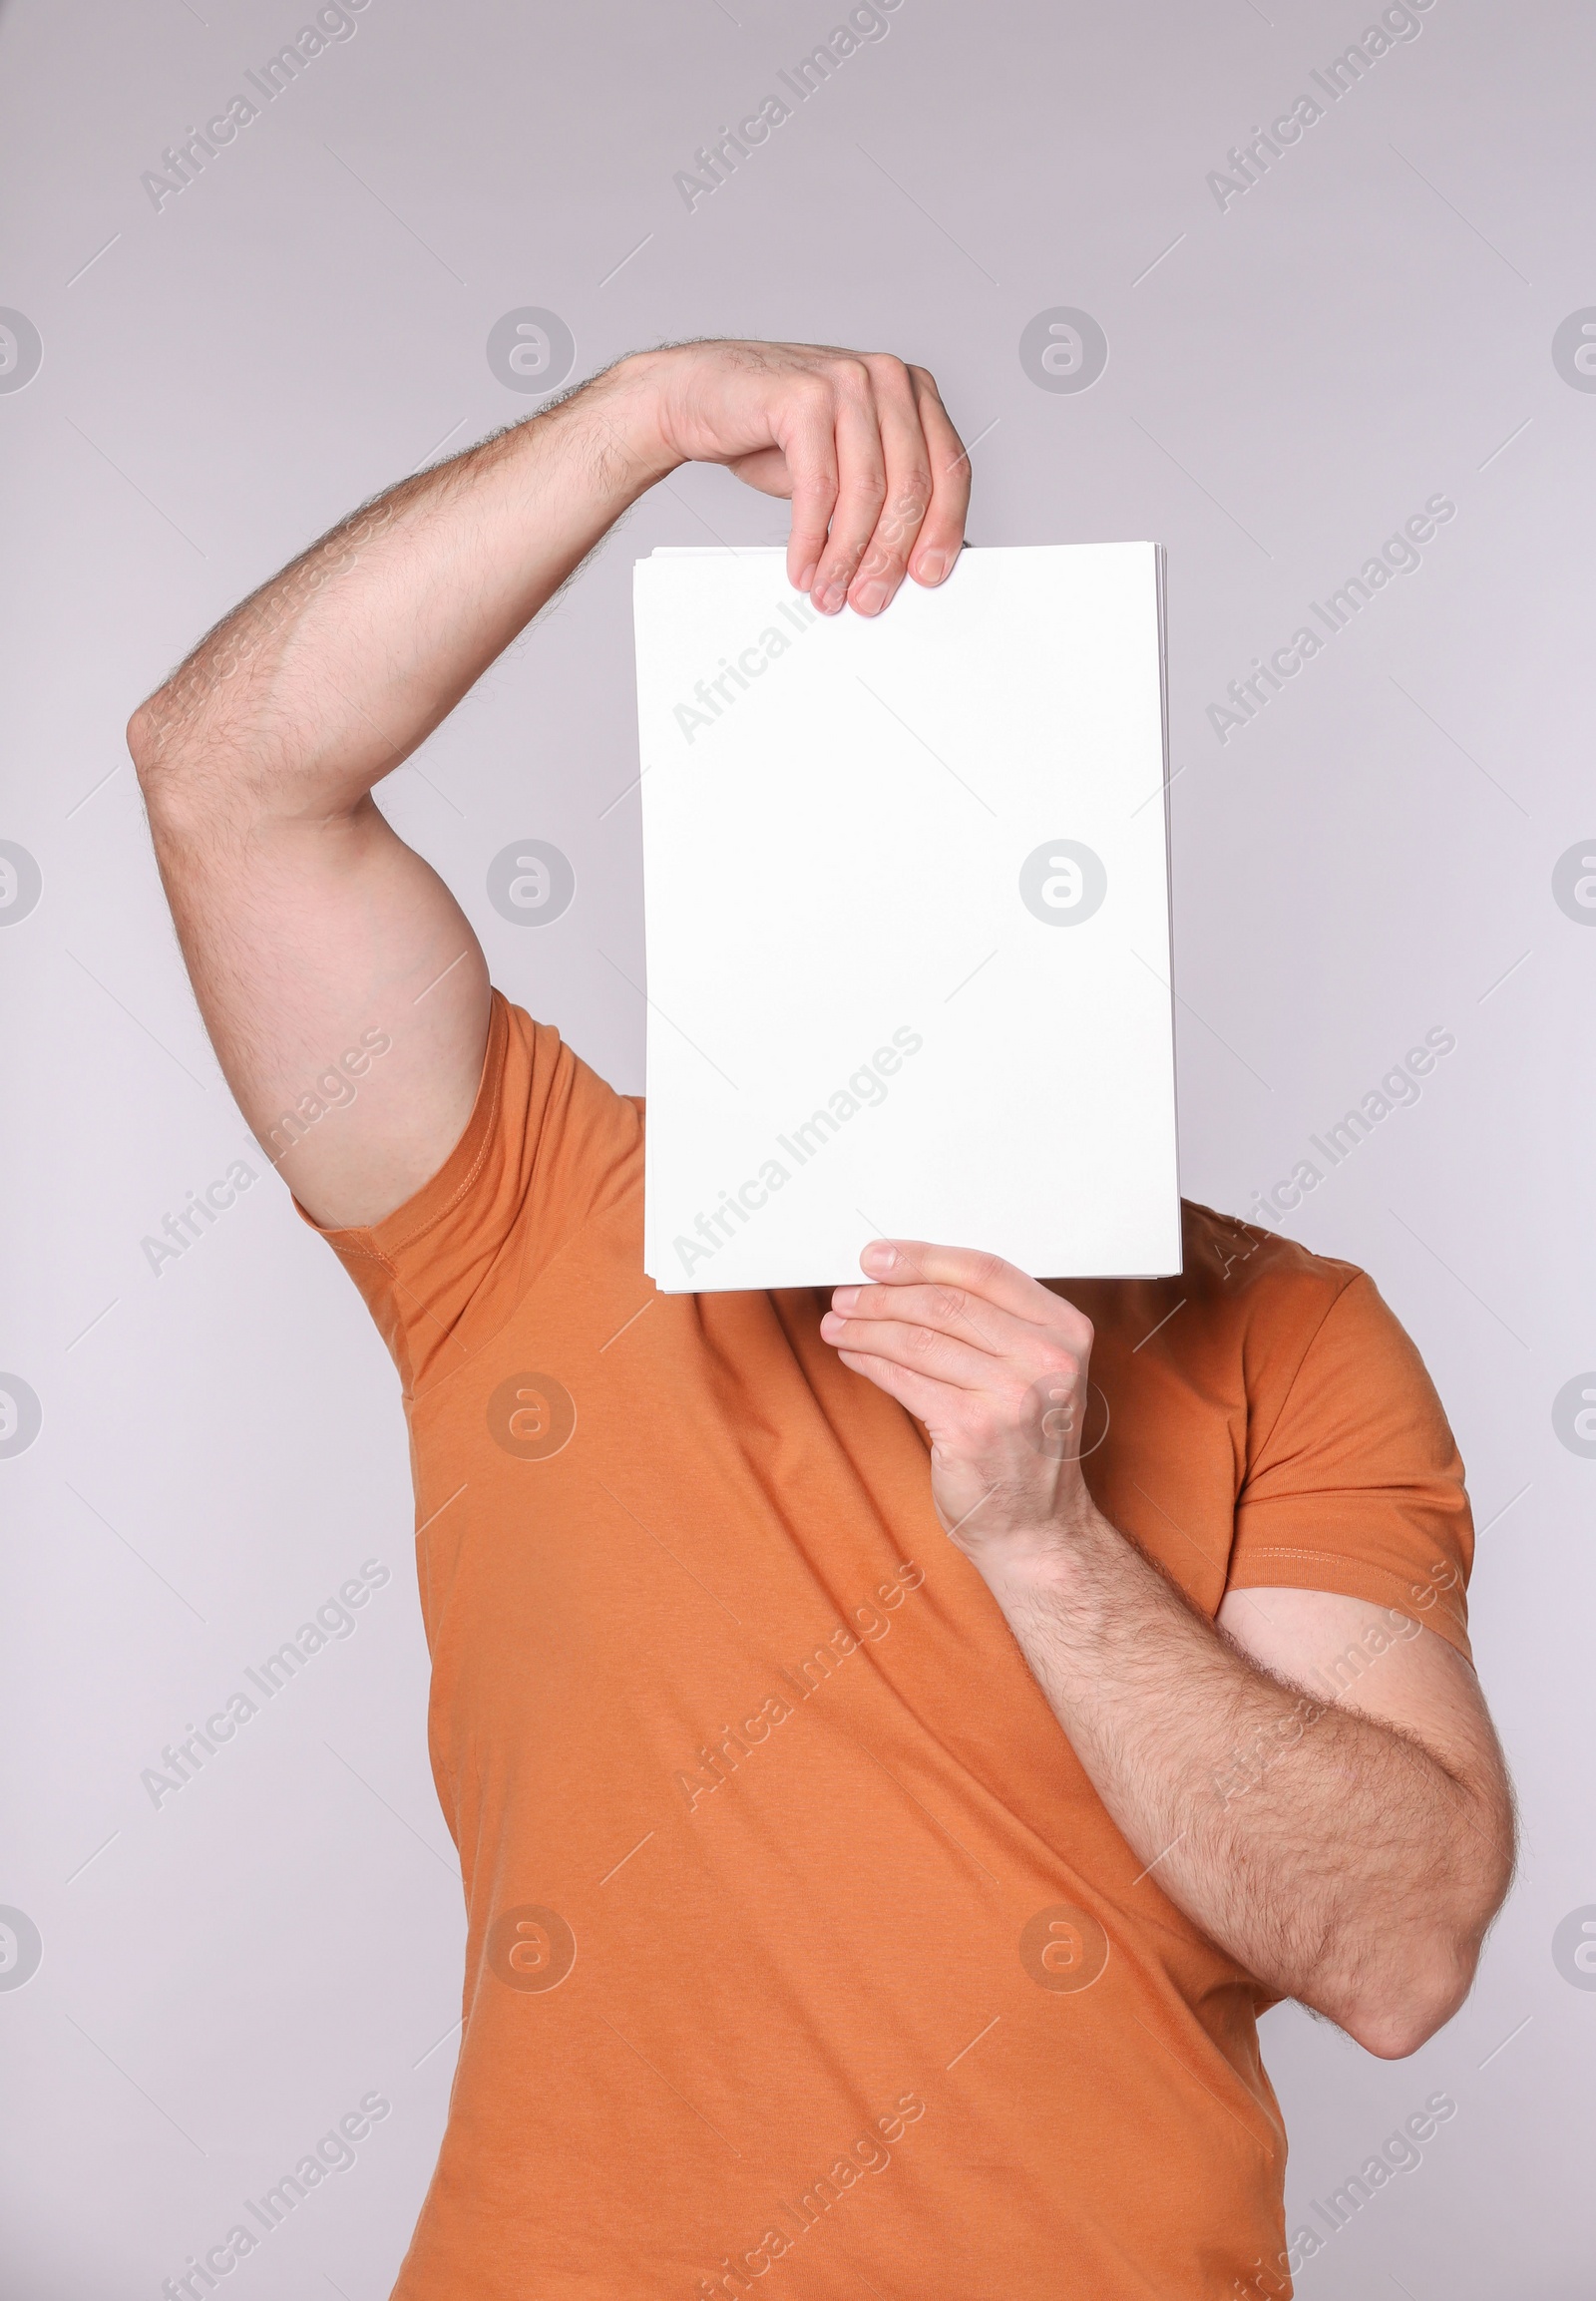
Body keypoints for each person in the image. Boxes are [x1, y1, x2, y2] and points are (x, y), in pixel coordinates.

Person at [128, 340, 1514, 2301]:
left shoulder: (1286, 1332)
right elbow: (224, 771)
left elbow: (1390, 1951)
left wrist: (1043, 1538)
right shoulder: (528, 1210)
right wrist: (637, 418)